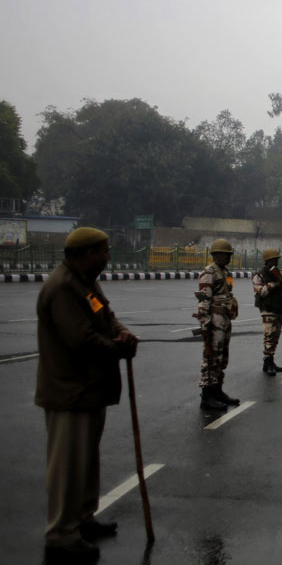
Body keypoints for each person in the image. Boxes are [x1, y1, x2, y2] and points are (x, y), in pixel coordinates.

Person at [35, 227, 139, 562]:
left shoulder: (85, 282)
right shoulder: (63, 287)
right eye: (104, 251)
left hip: (90, 389)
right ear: (86, 253)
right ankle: (61, 534)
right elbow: (79, 340)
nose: (108, 257)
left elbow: (107, 317)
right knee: (67, 466)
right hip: (69, 391)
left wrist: (122, 334)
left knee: (86, 461)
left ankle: (83, 518)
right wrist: (117, 348)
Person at [195, 239, 240, 411]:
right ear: (216, 255)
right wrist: (205, 323)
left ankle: (217, 390)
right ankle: (207, 395)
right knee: (211, 356)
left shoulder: (226, 272)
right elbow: (204, 299)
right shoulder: (209, 272)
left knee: (222, 356)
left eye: (229, 255)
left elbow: (229, 293)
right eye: (224, 254)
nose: (227, 257)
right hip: (214, 318)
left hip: (225, 318)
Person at [252, 248, 282, 376]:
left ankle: (271, 360)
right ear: (267, 261)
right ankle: (267, 362)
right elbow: (261, 292)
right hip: (267, 309)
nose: (275, 262)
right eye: (273, 260)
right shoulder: (259, 275)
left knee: (275, 337)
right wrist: (273, 284)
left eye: (276, 260)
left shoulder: (279, 273)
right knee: (269, 336)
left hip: (278, 308)